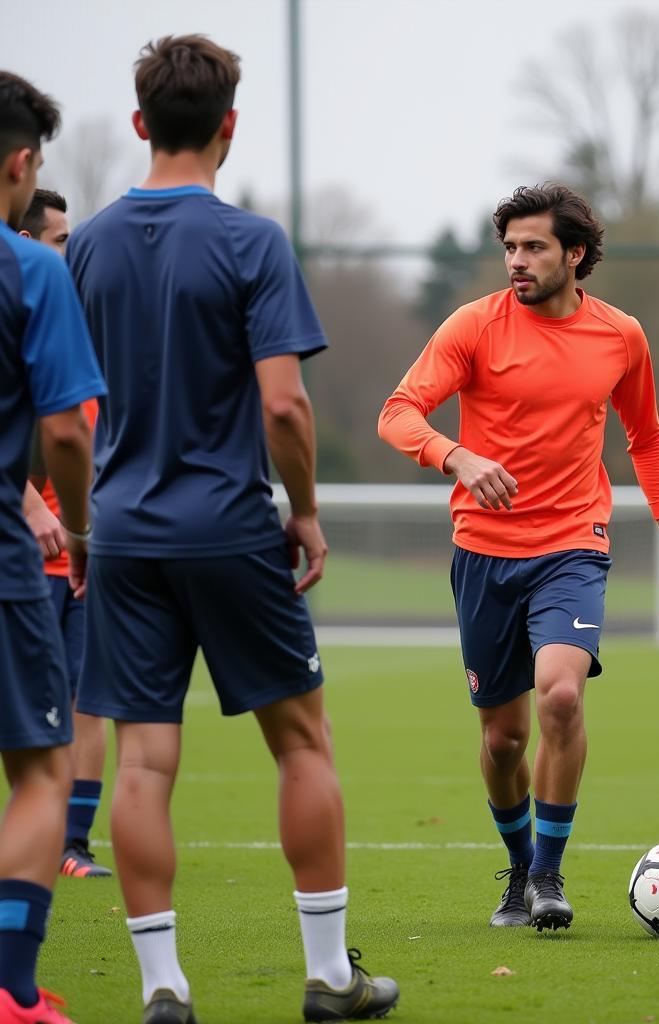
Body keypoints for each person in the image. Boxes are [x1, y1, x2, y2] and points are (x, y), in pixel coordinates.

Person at [66, 36, 397, 1024]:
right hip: (228, 528)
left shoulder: (84, 245)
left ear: (137, 126)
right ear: (230, 127)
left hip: (121, 532)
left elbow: (67, 407)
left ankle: (163, 987)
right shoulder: (253, 244)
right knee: (301, 743)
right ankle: (330, 977)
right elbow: (286, 409)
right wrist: (302, 509)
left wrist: (85, 527)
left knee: (144, 762)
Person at [379, 183, 659, 932]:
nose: (516, 262)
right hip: (484, 554)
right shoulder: (473, 326)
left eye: (533, 248)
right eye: (510, 248)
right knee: (503, 739)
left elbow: (646, 438)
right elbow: (398, 412)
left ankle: (550, 876)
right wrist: (455, 456)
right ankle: (520, 866)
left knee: (560, 696)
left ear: (575, 254)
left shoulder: (622, 336)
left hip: (572, 546)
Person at [0, 71, 105, 1024]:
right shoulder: (30, 272)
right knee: (37, 768)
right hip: (9, 557)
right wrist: (70, 525)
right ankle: (10, 991)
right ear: (22, 165)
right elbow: (70, 431)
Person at [19, 188, 110, 879]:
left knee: (90, 701)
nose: (70, 254)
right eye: (59, 241)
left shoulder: (82, 324)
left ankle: (72, 844)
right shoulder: (15, 318)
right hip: (25, 557)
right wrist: (34, 505)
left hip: (90, 552)